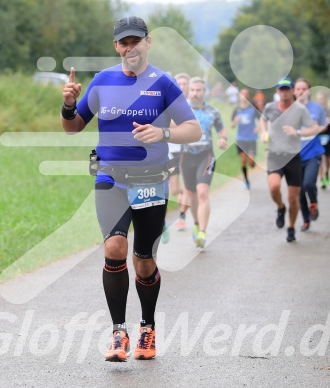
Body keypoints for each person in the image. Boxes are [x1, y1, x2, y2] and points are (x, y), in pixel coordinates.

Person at [61, 16, 202, 362]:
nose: (130, 48)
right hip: (110, 178)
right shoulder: (102, 81)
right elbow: (73, 128)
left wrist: (163, 134)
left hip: (152, 180)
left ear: (147, 42)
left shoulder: (163, 83)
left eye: (135, 41)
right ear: (116, 47)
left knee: (143, 262)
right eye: (123, 42)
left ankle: (148, 328)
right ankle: (118, 332)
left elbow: (193, 130)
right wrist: (67, 105)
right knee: (114, 247)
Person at [259, 77, 318, 242]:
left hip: (292, 157)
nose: (284, 92)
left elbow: (313, 128)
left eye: (287, 89)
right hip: (274, 155)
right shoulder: (270, 107)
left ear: (292, 91)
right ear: (277, 92)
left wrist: (297, 132)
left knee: (294, 198)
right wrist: (264, 132)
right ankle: (280, 207)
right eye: (281, 89)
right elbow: (262, 120)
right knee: (274, 187)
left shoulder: (300, 109)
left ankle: (291, 227)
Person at [181, 76, 228, 248]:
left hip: (206, 155)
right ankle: (195, 222)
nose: (194, 93)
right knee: (192, 196)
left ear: (204, 91)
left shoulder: (213, 112)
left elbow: (222, 128)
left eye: (198, 90)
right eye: (192, 90)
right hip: (186, 157)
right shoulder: (181, 109)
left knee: (202, 192)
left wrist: (222, 138)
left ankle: (202, 231)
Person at [294, 78, 327, 232]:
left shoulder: (317, 109)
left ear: (308, 91)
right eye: (298, 88)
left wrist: (318, 128)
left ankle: (313, 203)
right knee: (299, 191)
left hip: (313, 153)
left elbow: (323, 126)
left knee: (308, 184)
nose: (301, 91)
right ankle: (306, 220)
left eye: (303, 88)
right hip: (295, 156)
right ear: (294, 92)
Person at [168, 72, 191, 232]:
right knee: (174, 189)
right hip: (171, 150)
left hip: (188, 150)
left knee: (188, 185)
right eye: (179, 83)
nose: (182, 86)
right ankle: (191, 193)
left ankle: (182, 216)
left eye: (184, 84)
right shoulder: (169, 103)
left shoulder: (193, 104)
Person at [231, 88, 260, 189]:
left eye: (246, 94)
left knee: (251, 163)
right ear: (239, 95)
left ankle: (251, 160)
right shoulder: (236, 109)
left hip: (251, 138)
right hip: (241, 139)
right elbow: (232, 125)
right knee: (243, 161)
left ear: (248, 96)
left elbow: (261, 120)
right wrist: (235, 121)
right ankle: (247, 181)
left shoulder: (252, 108)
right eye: (242, 94)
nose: (244, 96)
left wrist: (258, 127)